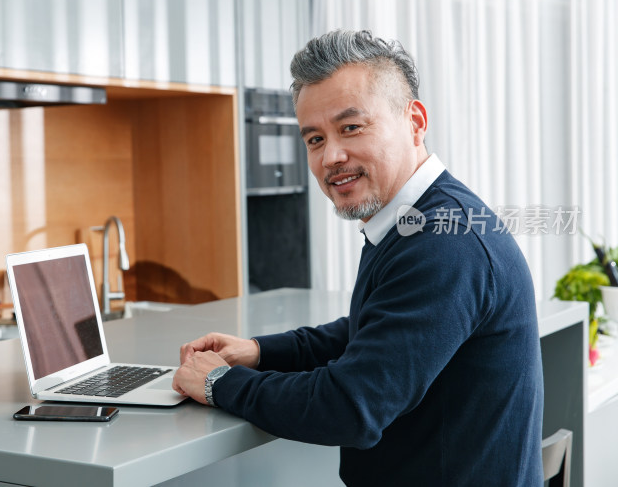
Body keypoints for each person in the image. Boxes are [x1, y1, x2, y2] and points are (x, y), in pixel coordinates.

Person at [172, 29, 544, 486]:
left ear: (415, 121)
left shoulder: (444, 244)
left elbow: (350, 407)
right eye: (314, 139)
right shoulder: (418, 218)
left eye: (351, 127)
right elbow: (378, 329)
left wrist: (219, 383)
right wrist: (260, 351)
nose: (331, 156)